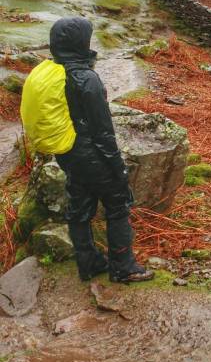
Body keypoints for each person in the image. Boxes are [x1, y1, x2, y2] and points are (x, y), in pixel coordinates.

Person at [21, 16, 154, 284]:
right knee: (118, 204)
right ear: (80, 42)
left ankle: (88, 262)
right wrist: (118, 167)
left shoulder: (52, 70)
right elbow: (102, 131)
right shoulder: (85, 78)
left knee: (79, 206)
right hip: (91, 153)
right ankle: (123, 267)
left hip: (67, 152)